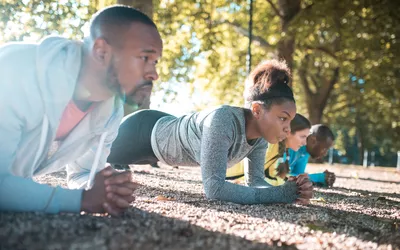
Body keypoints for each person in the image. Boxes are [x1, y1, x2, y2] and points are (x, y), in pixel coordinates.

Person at [0, 5, 163, 216]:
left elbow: (83, 174)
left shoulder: (110, 111)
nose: (154, 74)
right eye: (144, 58)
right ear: (101, 52)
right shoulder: (15, 72)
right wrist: (80, 200)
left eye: (156, 61)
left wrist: (104, 190)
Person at [108, 59, 314, 205]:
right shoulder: (223, 120)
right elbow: (214, 189)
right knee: (88, 155)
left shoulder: (260, 139)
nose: (288, 129)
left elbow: (256, 182)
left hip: (160, 144)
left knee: (113, 165)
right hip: (143, 133)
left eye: (290, 121)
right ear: (257, 110)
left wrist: (290, 189)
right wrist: (279, 196)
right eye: (282, 118)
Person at [226, 113, 311, 186]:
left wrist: (291, 181)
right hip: (223, 174)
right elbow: (254, 179)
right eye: (302, 137)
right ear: (288, 132)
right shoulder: (268, 145)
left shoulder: (279, 150)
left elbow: (271, 177)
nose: (305, 143)